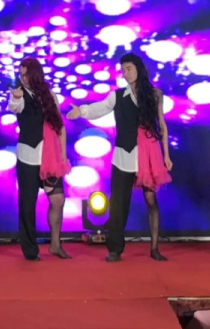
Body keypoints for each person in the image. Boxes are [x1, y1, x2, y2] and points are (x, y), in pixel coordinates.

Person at [67, 53, 172, 262]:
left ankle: (154, 247)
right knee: (118, 204)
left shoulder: (155, 95)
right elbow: (100, 107)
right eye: (123, 70)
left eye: (129, 68)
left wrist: (166, 155)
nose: (126, 73)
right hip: (124, 155)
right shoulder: (117, 96)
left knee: (151, 200)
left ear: (139, 69)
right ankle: (115, 249)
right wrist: (82, 111)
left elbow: (162, 125)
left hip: (148, 155)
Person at [8, 57, 72, 261]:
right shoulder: (19, 95)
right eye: (21, 75)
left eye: (26, 74)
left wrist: (63, 156)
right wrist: (16, 98)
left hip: (50, 158)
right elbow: (14, 106)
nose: (23, 78)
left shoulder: (49, 95)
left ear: (36, 74)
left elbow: (59, 127)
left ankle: (55, 245)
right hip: (28, 159)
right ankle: (30, 250)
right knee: (27, 206)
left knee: (58, 200)